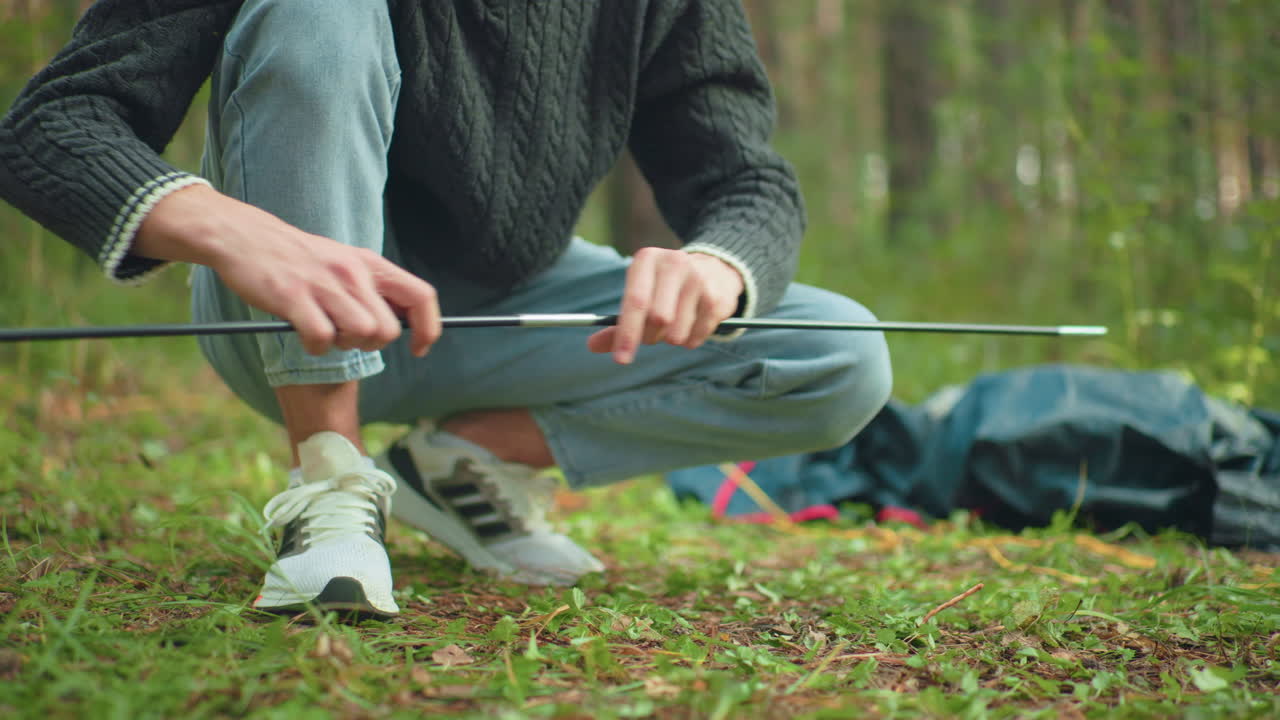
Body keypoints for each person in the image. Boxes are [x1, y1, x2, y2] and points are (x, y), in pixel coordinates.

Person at [0, 0, 893, 617]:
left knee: (836, 354)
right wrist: (233, 232)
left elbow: (748, 179)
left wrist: (717, 265)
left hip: (510, 308)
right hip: (279, 308)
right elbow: (51, 124)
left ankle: (462, 466)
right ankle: (330, 484)